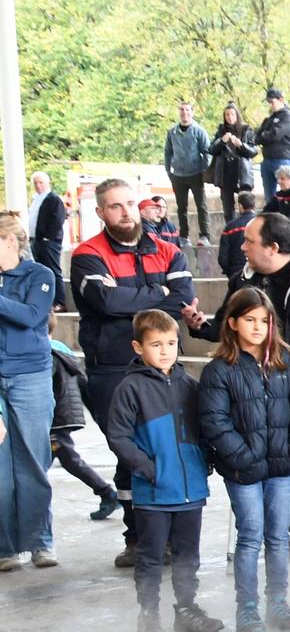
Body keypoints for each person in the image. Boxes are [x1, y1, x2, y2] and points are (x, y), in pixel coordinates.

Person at [184, 212, 290, 544]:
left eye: (249, 241)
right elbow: (226, 323)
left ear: (272, 247)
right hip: (263, 386)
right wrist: (199, 326)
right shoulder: (244, 280)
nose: (243, 247)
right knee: (283, 455)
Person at [70, 178, 197, 566]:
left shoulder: (168, 251)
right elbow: (105, 302)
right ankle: (137, 538)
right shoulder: (86, 254)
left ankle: (174, 536)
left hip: (166, 367)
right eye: (115, 206)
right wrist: (158, 294)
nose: (125, 212)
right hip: (112, 367)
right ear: (100, 213)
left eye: (129, 204)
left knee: (171, 444)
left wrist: (145, 298)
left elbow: (181, 299)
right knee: (128, 451)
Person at [197, 286, 290, 632]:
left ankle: (277, 602)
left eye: (264, 320)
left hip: (282, 467)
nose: (258, 327)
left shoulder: (287, 361)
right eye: (250, 320)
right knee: (250, 537)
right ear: (232, 322)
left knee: (279, 537)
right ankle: (247, 608)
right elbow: (214, 421)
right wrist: (243, 456)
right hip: (243, 471)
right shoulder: (220, 370)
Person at [106, 310, 224, 632]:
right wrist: (148, 469)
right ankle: (148, 616)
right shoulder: (131, 389)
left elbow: (204, 430)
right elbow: (118, 436)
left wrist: (205, 462)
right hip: (154, 493)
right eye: (155, 344)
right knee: (151, 558)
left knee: (188, 556)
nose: (165, 351)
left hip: (190, 492)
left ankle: (186, 609)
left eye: (171, 343)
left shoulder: (190, 384)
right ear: (137, 347)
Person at [0, 211, 57, 570]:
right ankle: (5, 548)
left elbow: (32, 315)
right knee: (0, 466)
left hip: (30, 377)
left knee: (33, 462)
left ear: (9, 241)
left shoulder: (40, 274)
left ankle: (40, 542)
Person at [50, 326, 120, 524]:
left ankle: (106, 492)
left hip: (55, 418)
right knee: (64, 458)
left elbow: (45, 390)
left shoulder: (44, 353)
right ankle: (106, 492)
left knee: (64, 459)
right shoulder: (61, 347)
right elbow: (82, 378)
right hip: (66, 414)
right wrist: (92, 410)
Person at [162, 102, 213, 246]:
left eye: (187, 110)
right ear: (179, 112)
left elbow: (207, 152)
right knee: (181, 207)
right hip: (178, 175)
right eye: (182, 110)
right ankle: (184, 236)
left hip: (196, 174)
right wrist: (168, 170)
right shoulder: (172, 132)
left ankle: (205, 235)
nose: (185, 113)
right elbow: (167, 152)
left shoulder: (199, 131)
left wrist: (205, 171)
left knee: (201, 206)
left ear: (192, 112)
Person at [208, 103, 257, 227]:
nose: (229, 117)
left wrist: (240, 145)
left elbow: (253, 152)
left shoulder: (246, 129)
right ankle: (231, 231)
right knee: (227, 207)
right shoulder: (221, 130)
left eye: (232, 114)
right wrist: (222, 141)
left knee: (246, 204)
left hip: (242, 172)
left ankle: (247, 229)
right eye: (227, 115)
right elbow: (212, 149)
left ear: (237, 115)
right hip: (225, 172)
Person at [27, 172, 69, 310]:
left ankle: (60, 301)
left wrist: (47, 237)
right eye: (36, 183)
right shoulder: (36, 199)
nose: (38, 186)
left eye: (41, 182)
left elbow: (58, 220)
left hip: (48, 242)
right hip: (37, 241)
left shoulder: (53, 199)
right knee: (41, 271)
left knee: (53, 270)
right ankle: (45, 300)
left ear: (47, 183)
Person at [255, 88, 290, 201]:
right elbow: (257, 137)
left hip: (282, 159)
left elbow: (275, 134)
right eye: (268, 103)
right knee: (270, 197)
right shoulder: (269, 119)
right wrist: (264, 135)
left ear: (281, 100)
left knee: (288, 193)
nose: (270, 105)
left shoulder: (288, 117)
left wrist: (265, 135)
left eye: (272, 102)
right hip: (267, 159)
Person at [217, 192, 257, 280]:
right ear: (254, 206)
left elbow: (223, 257)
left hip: (236, 272)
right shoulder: (263, 224)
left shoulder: (230, 227)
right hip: (258, 270)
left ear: (240, 206)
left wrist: (230, 272)